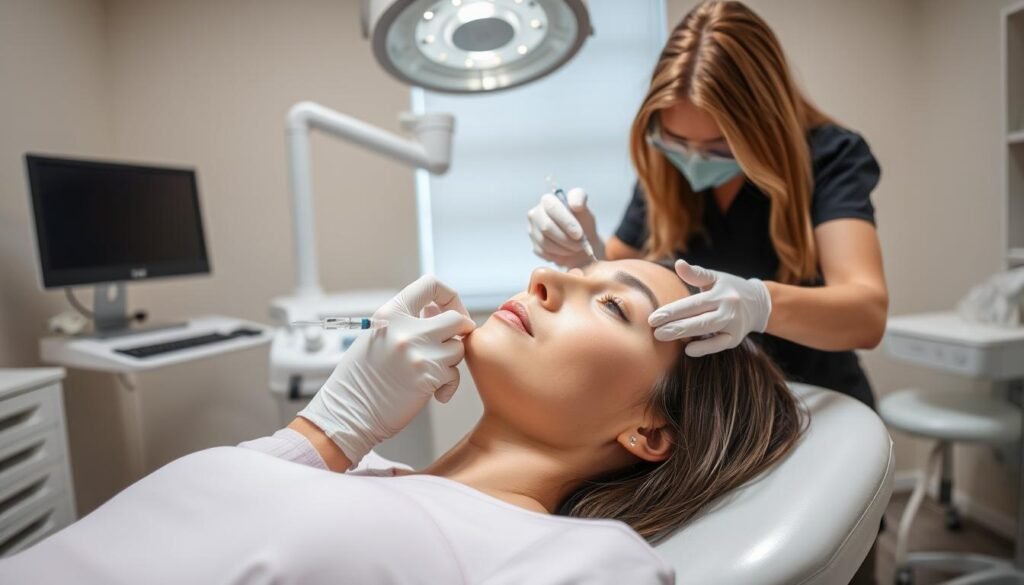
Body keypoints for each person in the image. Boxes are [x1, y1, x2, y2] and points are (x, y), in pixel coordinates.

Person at [0, 262, 803, 584]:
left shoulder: (585, 560)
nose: (548, 274)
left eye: (615, 303)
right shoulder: (359, 467)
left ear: (649, 432)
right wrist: (327, 434)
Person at [526, 0, 888, 410]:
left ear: (763, 128)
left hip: (820, 405)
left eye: (718, 146)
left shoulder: (829, 157)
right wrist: (585, 248)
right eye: (678, 142)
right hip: (720, 411)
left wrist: (761, 304)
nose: (692, 160)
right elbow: (621, 266)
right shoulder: (667, 166)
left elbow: (866, 314)